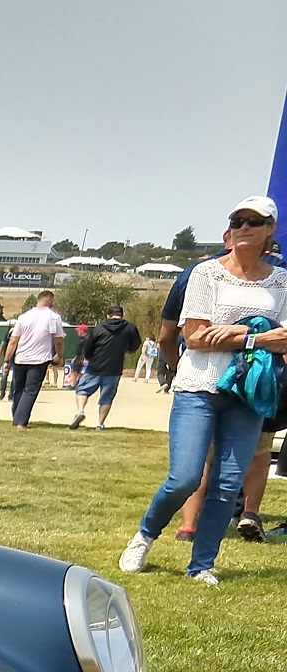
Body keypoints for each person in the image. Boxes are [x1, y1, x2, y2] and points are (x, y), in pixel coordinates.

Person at [119, 195, 287, 586]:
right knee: (185, 477)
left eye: (254, 221)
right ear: (228, 231)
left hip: (249, 391)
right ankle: (145, 535)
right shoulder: (205, 274)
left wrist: (238, 334)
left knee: (229, 483)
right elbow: (195, 336)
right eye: (238, 220)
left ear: (270, 230)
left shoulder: (281, 281)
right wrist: (260, 333)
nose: (245, 227)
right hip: (199, 386)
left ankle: (202, 564)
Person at [70, 304, 140, 430]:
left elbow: (89, 346)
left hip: (95, 366)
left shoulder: (99, 328)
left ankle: (80, 411)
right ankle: (100, 424)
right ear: (122, 315)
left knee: (82, 390)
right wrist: (128, 349)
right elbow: (136, 343)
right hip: (114, 368)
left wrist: (89, 357)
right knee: (107, 397)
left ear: (108, 316)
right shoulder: (130, 327)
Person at [3, 290, 66, 428]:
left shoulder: (24, 317)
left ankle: (16, 418)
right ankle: (21, 422)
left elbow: (13, 340)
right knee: (30, 390)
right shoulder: (53, 317)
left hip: (20, 358)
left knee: (18, 389)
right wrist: (59, 356)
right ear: (49, 300)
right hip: (39, 359)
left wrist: (7, 360)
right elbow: (58, 340)